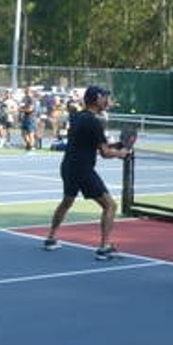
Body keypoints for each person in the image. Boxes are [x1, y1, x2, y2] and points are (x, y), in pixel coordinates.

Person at [43, 85, 130, 259]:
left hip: (68, 166)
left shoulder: (77, 117)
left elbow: (91, 144)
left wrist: (115, 146)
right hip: (83, 169)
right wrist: (121, 153)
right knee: (110, 206)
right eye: (105, 97)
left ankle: (51, 238)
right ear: (97, 99)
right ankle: (104, 247)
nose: (108, 101)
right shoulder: (94, 122)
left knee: (67, 201)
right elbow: (104, 153)